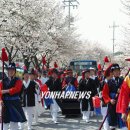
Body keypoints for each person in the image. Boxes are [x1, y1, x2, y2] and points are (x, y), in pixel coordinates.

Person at [0, 63, 26, 130]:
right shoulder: (3, 81)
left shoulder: (18, 80)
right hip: (5, 103)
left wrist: (6, 91)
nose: (11, 71)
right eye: (9, 70)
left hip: (15, 103)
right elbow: (0, 92)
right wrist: (0, 100)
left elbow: (17, 89)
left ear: (15, 71)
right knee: (4, 122)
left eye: (12, 70)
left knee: (14, 122)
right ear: (7, 71)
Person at [102, 63, 126, 130]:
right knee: (112, 123)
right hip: (112, 104)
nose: (117, 72)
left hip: (121, 104)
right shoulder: (109, 82)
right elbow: (105, 93)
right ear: (112, 72)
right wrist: (110, 100)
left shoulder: (123, 81)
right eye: (115, 71)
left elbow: (126, 92)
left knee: (123, 123)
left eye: (118, 70)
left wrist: (121, 91)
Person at [99, 64, 113, 130]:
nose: (112, 75)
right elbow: (100, 93)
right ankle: (106, 128)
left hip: (111, 101)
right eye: (111, 73)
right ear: (109, 74)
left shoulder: (112, 82)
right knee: (105, 116)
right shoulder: (103, 83)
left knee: (110, 115)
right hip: (104, 102)